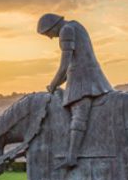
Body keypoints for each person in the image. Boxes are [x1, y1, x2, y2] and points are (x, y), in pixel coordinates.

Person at [38, 13, 113, 171]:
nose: (50, 38)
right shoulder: (75, 25)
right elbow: (70, 67)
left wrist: (53, 84)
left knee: (79, 115)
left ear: (52, 26)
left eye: (48, 34)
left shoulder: (66, 30)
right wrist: (57, 83)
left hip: (83, 79)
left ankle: (72, 157)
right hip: (85, 75)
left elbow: (64, 65)